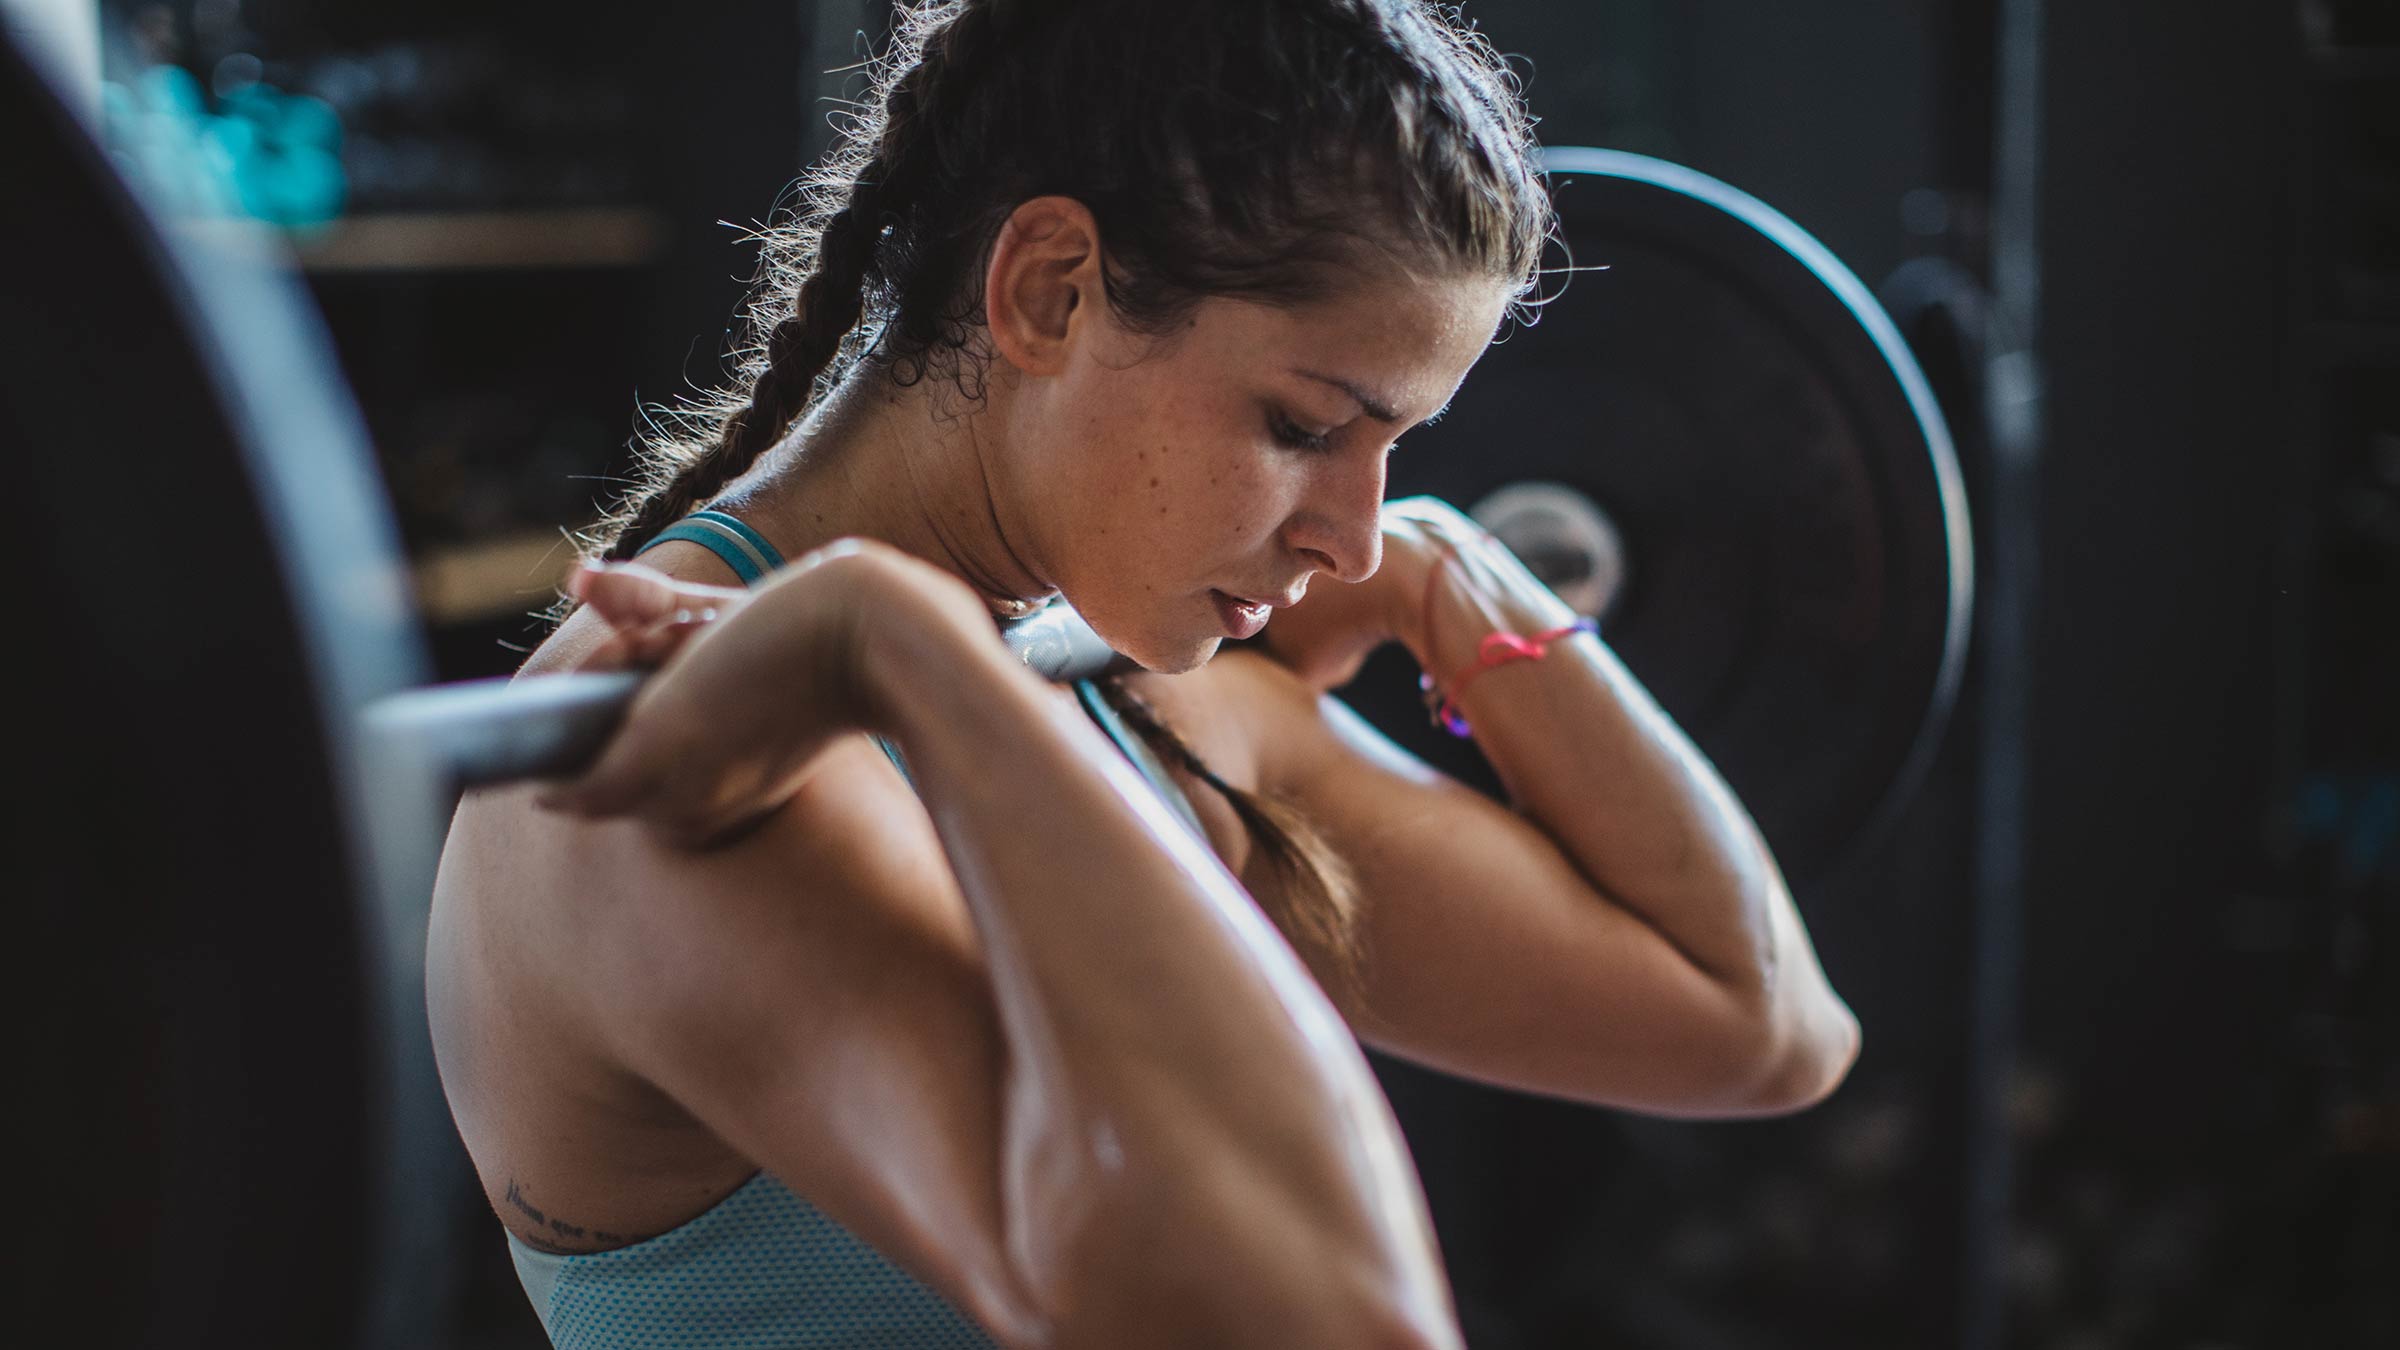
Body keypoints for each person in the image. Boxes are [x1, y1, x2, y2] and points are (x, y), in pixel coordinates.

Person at [427, 2, 1861, 1346]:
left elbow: (1759, 1023)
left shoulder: (1113, 679)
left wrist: (1461, 578)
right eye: (1306, 426)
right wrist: (902, 641)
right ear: (1051, 292)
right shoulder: (681, 765)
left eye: (1395, 456)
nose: (1349, 541)